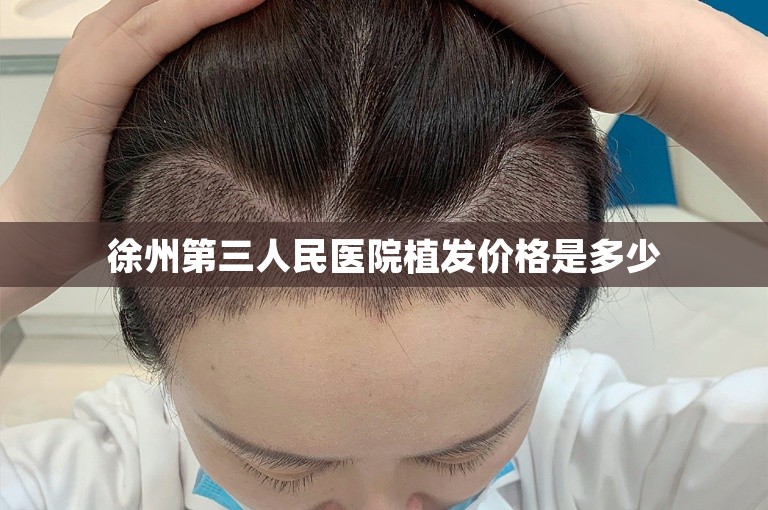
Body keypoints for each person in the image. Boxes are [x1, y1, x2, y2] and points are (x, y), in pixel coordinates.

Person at [0, 1, 766, 509]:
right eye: (279, 467)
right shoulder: (99, 484)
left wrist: (669, 56)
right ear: (148, 342)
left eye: (460, 457)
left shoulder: (606, 467)